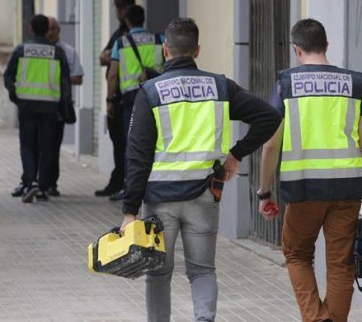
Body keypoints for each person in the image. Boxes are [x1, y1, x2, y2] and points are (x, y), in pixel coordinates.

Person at [119, 18, 282, 322]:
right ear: (197, 50)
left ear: (165, 51)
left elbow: (137, 156)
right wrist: (236, 155)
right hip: (204, 197)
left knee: (158, 273)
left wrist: (129, 211)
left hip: (160, 200)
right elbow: (268, 117)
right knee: (202, 270)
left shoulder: (150, 92)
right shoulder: (220, 87)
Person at [257, 19, 362, 322]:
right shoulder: (355, 84)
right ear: (327, 45)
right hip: (348, 188)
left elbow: (270, 146)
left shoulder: (285, 85)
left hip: (304, 188)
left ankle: (317, 319)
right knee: (341, 264)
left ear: (296, 49)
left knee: (297, 254)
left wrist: (264, 192)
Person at [4, 14, 72, 203]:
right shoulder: (58, 53)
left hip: (27, 105)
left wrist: (15, 96)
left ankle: (31, 182)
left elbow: (8, 77)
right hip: (50, 106)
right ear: (46, 30)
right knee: (47, 147)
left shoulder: (21, 50)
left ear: (31, 29)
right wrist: (64, 107)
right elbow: (65, 83)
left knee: (27, 146)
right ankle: (42, 187)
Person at [107, 4, 164, 201]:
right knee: (157, 141)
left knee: (131, 142)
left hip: (132, 98)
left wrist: (109, 101)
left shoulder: (122, 43)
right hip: (158, 94)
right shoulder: (160, 39)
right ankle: (155, 183)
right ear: (143, 18)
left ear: (128, 21)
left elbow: (112, 74)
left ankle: (130, 187)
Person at [95, 0, 136, 198]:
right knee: (119, 141)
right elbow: (103, 57)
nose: (119, 11)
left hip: (125, 96)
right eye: (118, 7)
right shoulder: (118, 33)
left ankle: (126, 184)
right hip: (120, 97)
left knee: (127, 143)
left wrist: (110, 100)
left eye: (123, 8)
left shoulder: (129, 35)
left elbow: (110, 64)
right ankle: (118, 180)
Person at [46, 16, 84, 196]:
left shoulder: (68, 51)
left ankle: (51, 183)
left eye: (53, 28)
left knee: (53, 147)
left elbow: (78, 78)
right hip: (39, 107)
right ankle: (37, 182)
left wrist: (59, 79)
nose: (50, 32)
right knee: (39, 146)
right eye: (47, 29)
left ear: (59, 31)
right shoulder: (36, 50)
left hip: (58, 108)